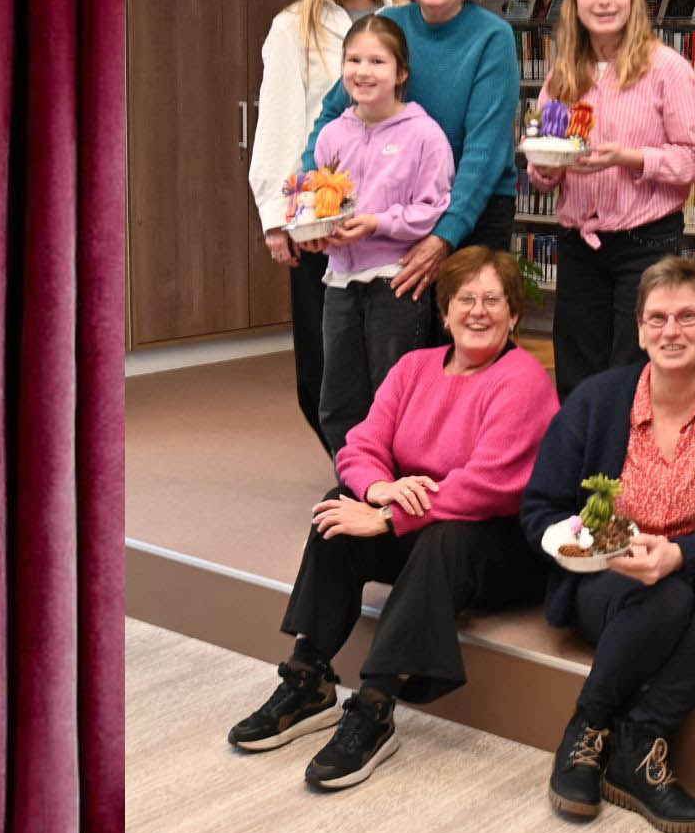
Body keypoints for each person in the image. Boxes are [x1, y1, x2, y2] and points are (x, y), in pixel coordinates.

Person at [225, 248, 558, 790]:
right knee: (338, 501)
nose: (478, 311)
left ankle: (376, 705)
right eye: (464, 299)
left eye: (492, 300)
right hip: (421, 521)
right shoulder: (414, 366)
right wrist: (379, 490)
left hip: (501, 546)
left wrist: (384, 518)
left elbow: (487, 486)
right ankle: (309, 676)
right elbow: (360, 446)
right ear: (444, 312)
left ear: (514, 315)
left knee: (448, 535)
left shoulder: (522, 380)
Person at [522, 257, 695, 833]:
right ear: (638, 329)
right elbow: (540, 508)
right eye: (657, 317)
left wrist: (680, 555)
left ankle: (644, 737)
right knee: (664, 600)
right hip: (606, 576)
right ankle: (586, 731)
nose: (671, 331)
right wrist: (593, 548)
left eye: (689, 316)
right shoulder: (597, 398)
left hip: (694, 565)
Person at [247, 0, 403, 457]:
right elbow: (280, 124)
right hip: (319, 214)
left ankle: (384, 460)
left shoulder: (404, 21)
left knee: (391, 350)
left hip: (392, 216)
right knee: (324, 357)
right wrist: (276, 219)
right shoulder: (293, 27)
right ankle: (348, 460)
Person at [303, 0, 523, 308]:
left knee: (466, 336)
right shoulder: (387, 23)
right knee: (402, 348)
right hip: (398, 212)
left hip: (472, 210)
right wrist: (311, 196)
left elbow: (484, 152)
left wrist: (445, 234)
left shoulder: (493, 37)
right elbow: (332, 114)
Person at [525, 0, 695, 398]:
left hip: (645, 243)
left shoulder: (667, 68)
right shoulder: (563, 75)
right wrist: (546, 169)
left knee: (636, 370)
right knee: (576, 371)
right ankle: (587, 466)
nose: (603, 0)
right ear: (574, 2)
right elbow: (543, 169)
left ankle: (636, 469)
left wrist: (628, 156)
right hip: (578, 244)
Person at [300, 15, 454, 453]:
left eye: (377, 61)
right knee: (339, 397)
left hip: (396, 280)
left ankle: (394, 483)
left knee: (392, 393)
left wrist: (377, 223)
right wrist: (319, 230)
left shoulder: (425, 135)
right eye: (353, 60)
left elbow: (432, 210)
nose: (363, 71)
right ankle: (353, 479)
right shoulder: (331, 135)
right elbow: (323, 201)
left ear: (401, 72)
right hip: (340, 283)